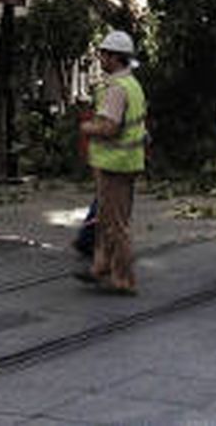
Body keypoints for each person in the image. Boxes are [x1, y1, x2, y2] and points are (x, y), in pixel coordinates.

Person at [76, 30, 146, 295]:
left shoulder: (117, 89)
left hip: (115, 163)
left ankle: (123, 278)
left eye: (104, 54)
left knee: (115, 223)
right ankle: (101, 266)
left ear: (115, 58)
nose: (101, 58)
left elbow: (110, 127)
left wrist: (86, 127)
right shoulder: (133, 85)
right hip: (127, 161)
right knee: (108, 219)